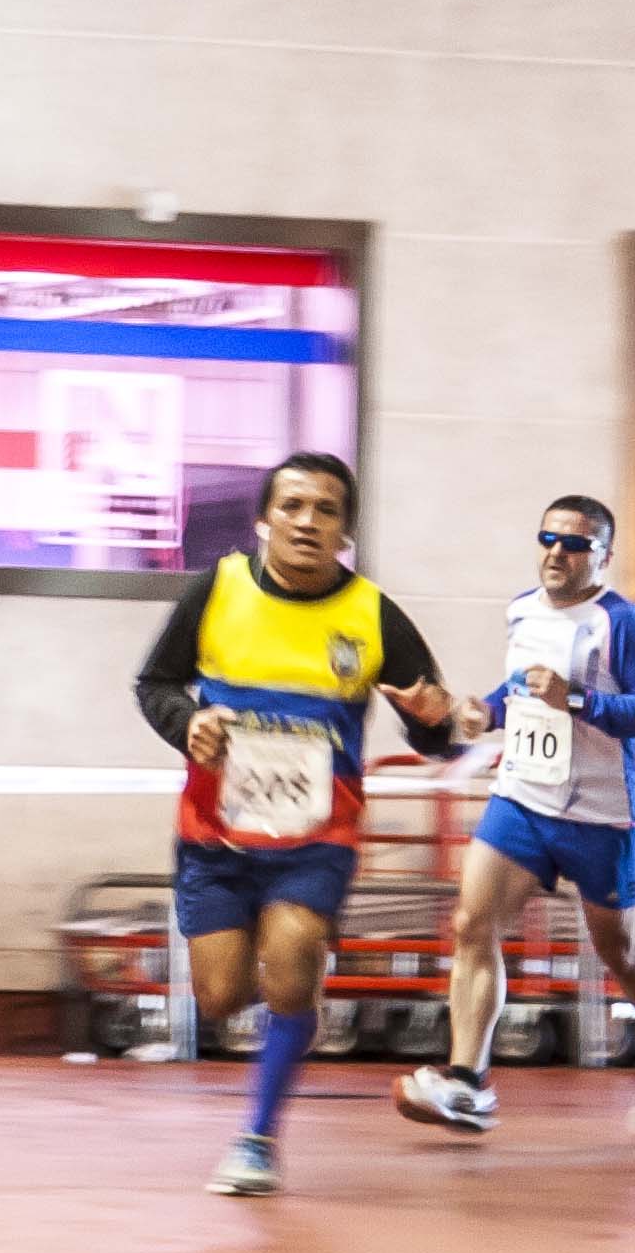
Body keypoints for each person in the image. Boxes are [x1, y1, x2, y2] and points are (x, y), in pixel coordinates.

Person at [132, 453, 466, 1196]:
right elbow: (154, 683)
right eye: (292, 506)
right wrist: (188, 723)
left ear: (345, 532)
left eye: (326, 510)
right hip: (216, 836)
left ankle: (258, 1139)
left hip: (317, 839)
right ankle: (292, 1004)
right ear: (263, 520)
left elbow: (436, 730)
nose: (308, 522)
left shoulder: (373, 615)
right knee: (220, 997)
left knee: (289, 962)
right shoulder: (215, 591)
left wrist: (434, 723)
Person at [396, 495, 635, 1142]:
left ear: (603, 556)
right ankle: (467, 1082)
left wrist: (579, 699)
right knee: (472, 924)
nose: (558, 552)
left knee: (621, 951)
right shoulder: (521, 610)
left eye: (576, 544)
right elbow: (521, 689)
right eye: (549, 539)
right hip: (523, 798)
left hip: (600, 815)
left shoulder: (623, 623)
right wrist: (485, 712)